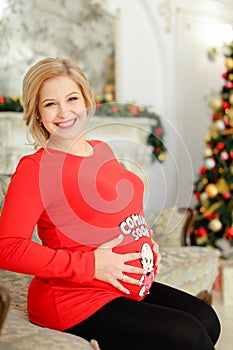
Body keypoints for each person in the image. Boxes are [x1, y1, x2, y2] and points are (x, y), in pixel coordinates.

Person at [0, 57, 220, 350]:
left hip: (121, 287)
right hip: (75, 299)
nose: (64, 111)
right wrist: (90, 264)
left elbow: (118, 211)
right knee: (189, 335)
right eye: (50, 104)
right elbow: (7, 248)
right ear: (38, 113)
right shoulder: (35, 169)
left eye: (72, 98)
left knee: (207, 320)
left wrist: (144, 242)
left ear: (87, 101)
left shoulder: (101, 150)